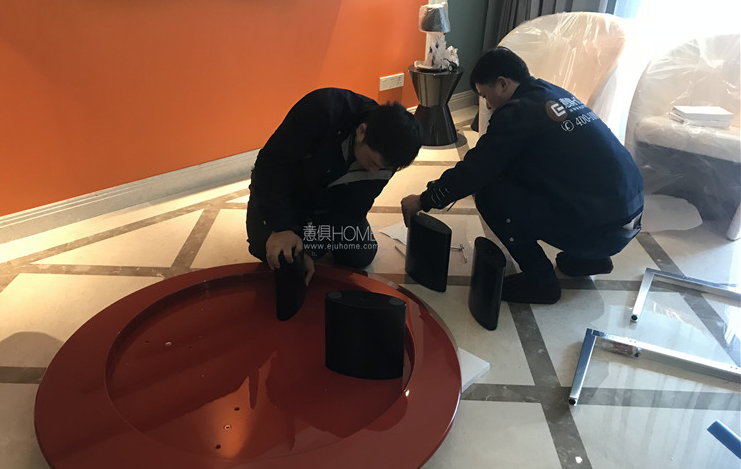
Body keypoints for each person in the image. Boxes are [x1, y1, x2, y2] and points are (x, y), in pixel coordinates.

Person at [401, 47, 644, 304]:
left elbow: (475, 170)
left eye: (485, 95)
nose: (487, 105)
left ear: (502, 84)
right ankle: (587, 260)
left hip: (600, 232)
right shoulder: (552, 93)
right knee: (528, 174)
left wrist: (424, 199)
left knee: (489, 194)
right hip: (627, 219)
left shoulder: (517, 112)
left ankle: (541, 282)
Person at [247, 87, 423, 284]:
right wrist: (281, 227)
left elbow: (352, 210)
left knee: (359, 255)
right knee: (274, 253)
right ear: (361, 131)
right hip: (289, 192)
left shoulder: (388, 158)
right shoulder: (322, 110)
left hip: (330, 201)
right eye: (373, 162)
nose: (374, 171)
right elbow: (271, 166)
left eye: (383, 168)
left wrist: (311, 251)